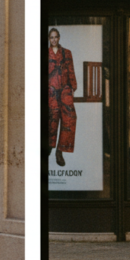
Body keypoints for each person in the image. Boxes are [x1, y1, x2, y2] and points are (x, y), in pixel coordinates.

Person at [48, 28, 77, 167]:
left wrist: (73, 87)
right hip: (51, 90)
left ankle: (60, 150)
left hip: (65, 89)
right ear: (49, 39)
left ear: (59, 38)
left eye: (55, 37)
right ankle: (49, 145)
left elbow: (71, 69)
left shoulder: (67, 53)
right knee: (52, 117)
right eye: (51, 37)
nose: (53, 39)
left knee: (70, 118)